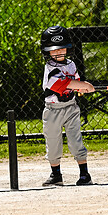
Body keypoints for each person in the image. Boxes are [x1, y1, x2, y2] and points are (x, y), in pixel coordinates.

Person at [40, 25, 95, 186]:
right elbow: (62, 84)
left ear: (67, 48)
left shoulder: (71, 64)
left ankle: (85, 174)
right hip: (52, 110)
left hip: (71, 107)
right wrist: (84, 84)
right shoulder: (50, 68)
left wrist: (81, 89)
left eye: (61, 48)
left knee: (75, 140)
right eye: (53, 49)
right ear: (47, 51)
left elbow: (74, 83)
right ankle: (56, 174)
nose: (57, 52)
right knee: (53, 141)